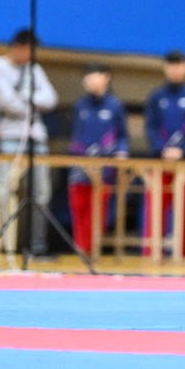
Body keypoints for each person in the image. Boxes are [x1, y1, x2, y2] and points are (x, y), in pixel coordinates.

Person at [0, 28, 59, 256]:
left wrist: (26, 97)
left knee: (41, 193)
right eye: (28, 51)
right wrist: (32, 102)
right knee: (1, 189)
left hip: (36, 137)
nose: (30, 56)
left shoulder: (34, 69)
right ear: (17, 47)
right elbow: (7, 103)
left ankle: (37, 246)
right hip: (9, 137)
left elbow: (51, 99)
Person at [143, 49, 185, 257]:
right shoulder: (157, 97)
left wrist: (183, 150)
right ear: (165, 68)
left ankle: (184, 253)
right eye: (172, 65)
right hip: (160, 163)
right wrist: (162, 149)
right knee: (155, 208)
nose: (175, 70)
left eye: (179, 65)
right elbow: (150, 127)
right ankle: (152, 251)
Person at [67, 62, 128, 256]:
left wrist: (121, 151)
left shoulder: (115, 106)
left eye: (96, 75)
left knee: (99, 208)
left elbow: (122, 136)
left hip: (105, 168)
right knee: (79, 205)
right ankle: (79, 246)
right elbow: (76, 136)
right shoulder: (80, 105)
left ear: (106, 78)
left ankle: (91, 247)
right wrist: (80, 157)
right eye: (88, 76)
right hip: (81, 164)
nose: (91, 79)